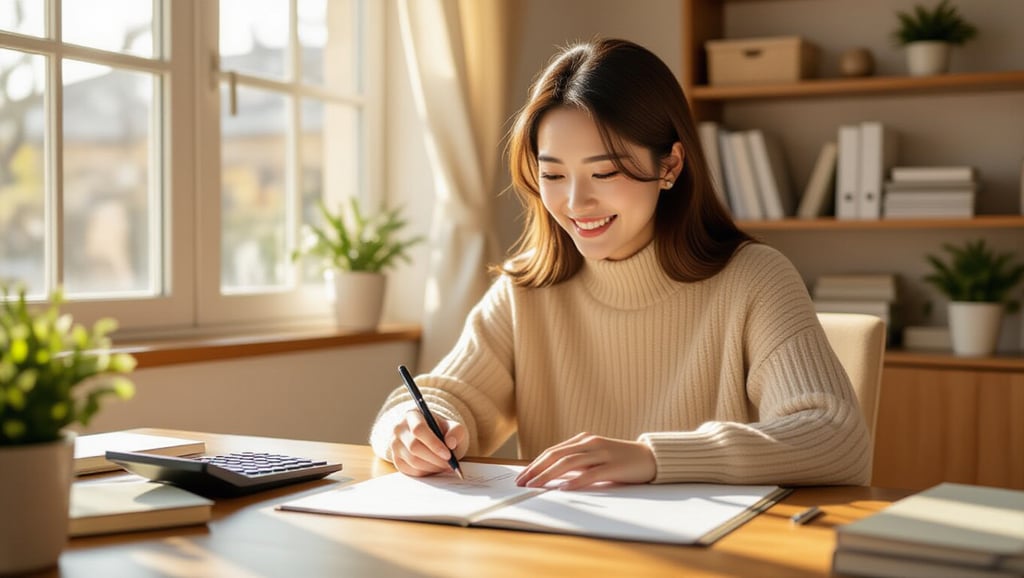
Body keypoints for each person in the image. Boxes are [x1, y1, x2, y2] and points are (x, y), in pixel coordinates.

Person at [369, 38, 871, 490]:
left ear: (669, 165)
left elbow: (835, 438)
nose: (575, 201)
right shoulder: (528, 288)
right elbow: (443, 398)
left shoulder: (754, 278)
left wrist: (654, 457)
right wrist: (412, 427)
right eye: (553, 174)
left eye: (604, 172)